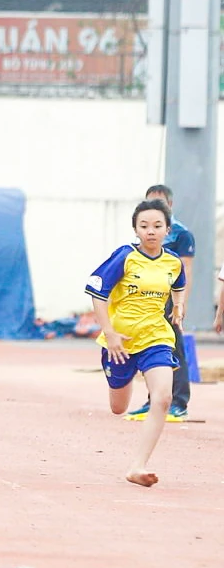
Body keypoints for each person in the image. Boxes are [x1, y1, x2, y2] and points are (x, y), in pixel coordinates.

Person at [87, 199, 185, 487]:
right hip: (120, 343)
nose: (151, 231)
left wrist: (178, 307)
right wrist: (110, 332)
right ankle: (120, 377)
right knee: (119, 407)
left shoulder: (173, 262)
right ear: (135, 230)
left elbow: (179, 284)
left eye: (157, 226)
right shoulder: (125, 257)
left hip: (156, 337)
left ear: (168, 229)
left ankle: (137, 466)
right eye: (144, 226)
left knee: (163, 397)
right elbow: (97, 292)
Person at [126, 184, 194, 421]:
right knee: (150, 351)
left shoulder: (181, 234)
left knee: (175, 348)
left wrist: (181, 305)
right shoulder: (145, 231)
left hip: (169, 301)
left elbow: (185, 271)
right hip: (146, 301)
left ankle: (179, 401)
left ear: (170, 206)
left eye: (160, 203)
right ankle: (153, 399)